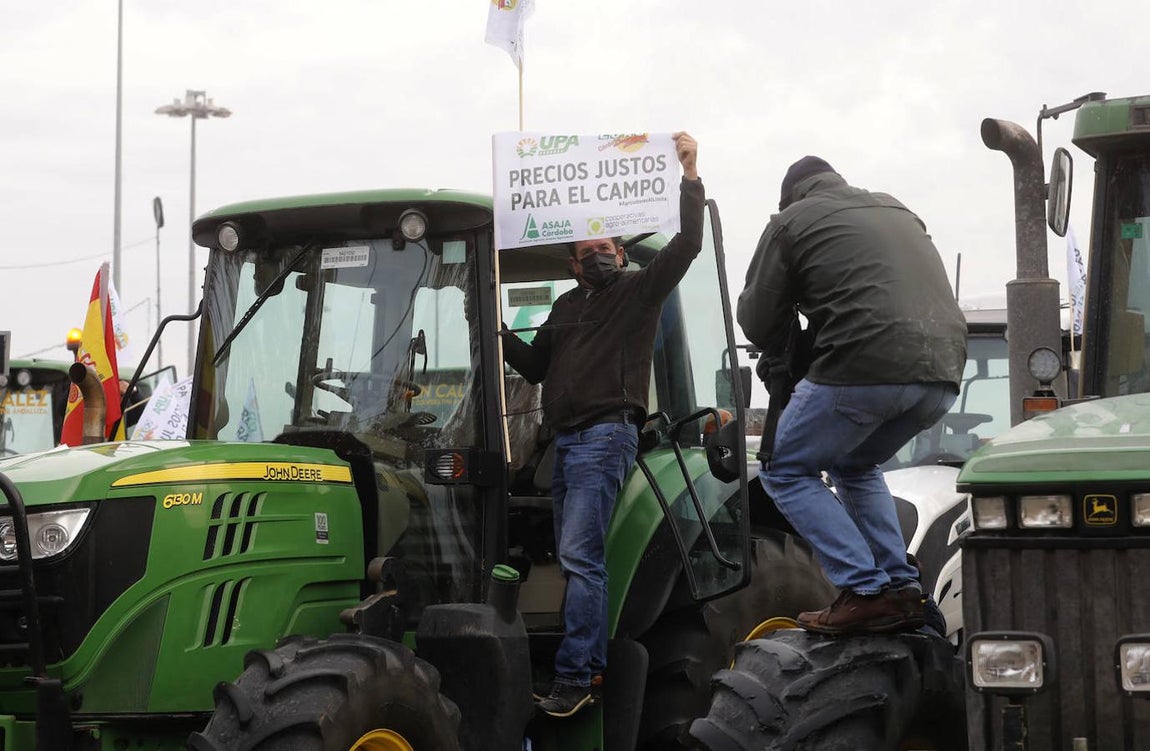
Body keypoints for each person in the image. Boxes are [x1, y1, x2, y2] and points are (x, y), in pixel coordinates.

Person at [502, 132, 702, 717]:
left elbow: (688, 243)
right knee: (571, 558)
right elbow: (535, 368)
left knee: (582, 557)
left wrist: (690, 175)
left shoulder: (639, 293)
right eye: (587, 247)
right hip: (564, 444)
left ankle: (580, 677)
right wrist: (491, 326)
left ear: (620, 250)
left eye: (607, 243)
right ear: (572, 263)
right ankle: (570, 665)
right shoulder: (564, 308)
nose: (599, 252)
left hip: (604, 436)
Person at [737, 156, 967, 636]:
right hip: (942, 373)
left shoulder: (789, 222)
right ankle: (902, 587)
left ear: (791, 197)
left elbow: (757, 321)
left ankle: (864, 589)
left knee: (782, 469)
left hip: (863, 367)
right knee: (856, 464)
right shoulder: (897, 209)